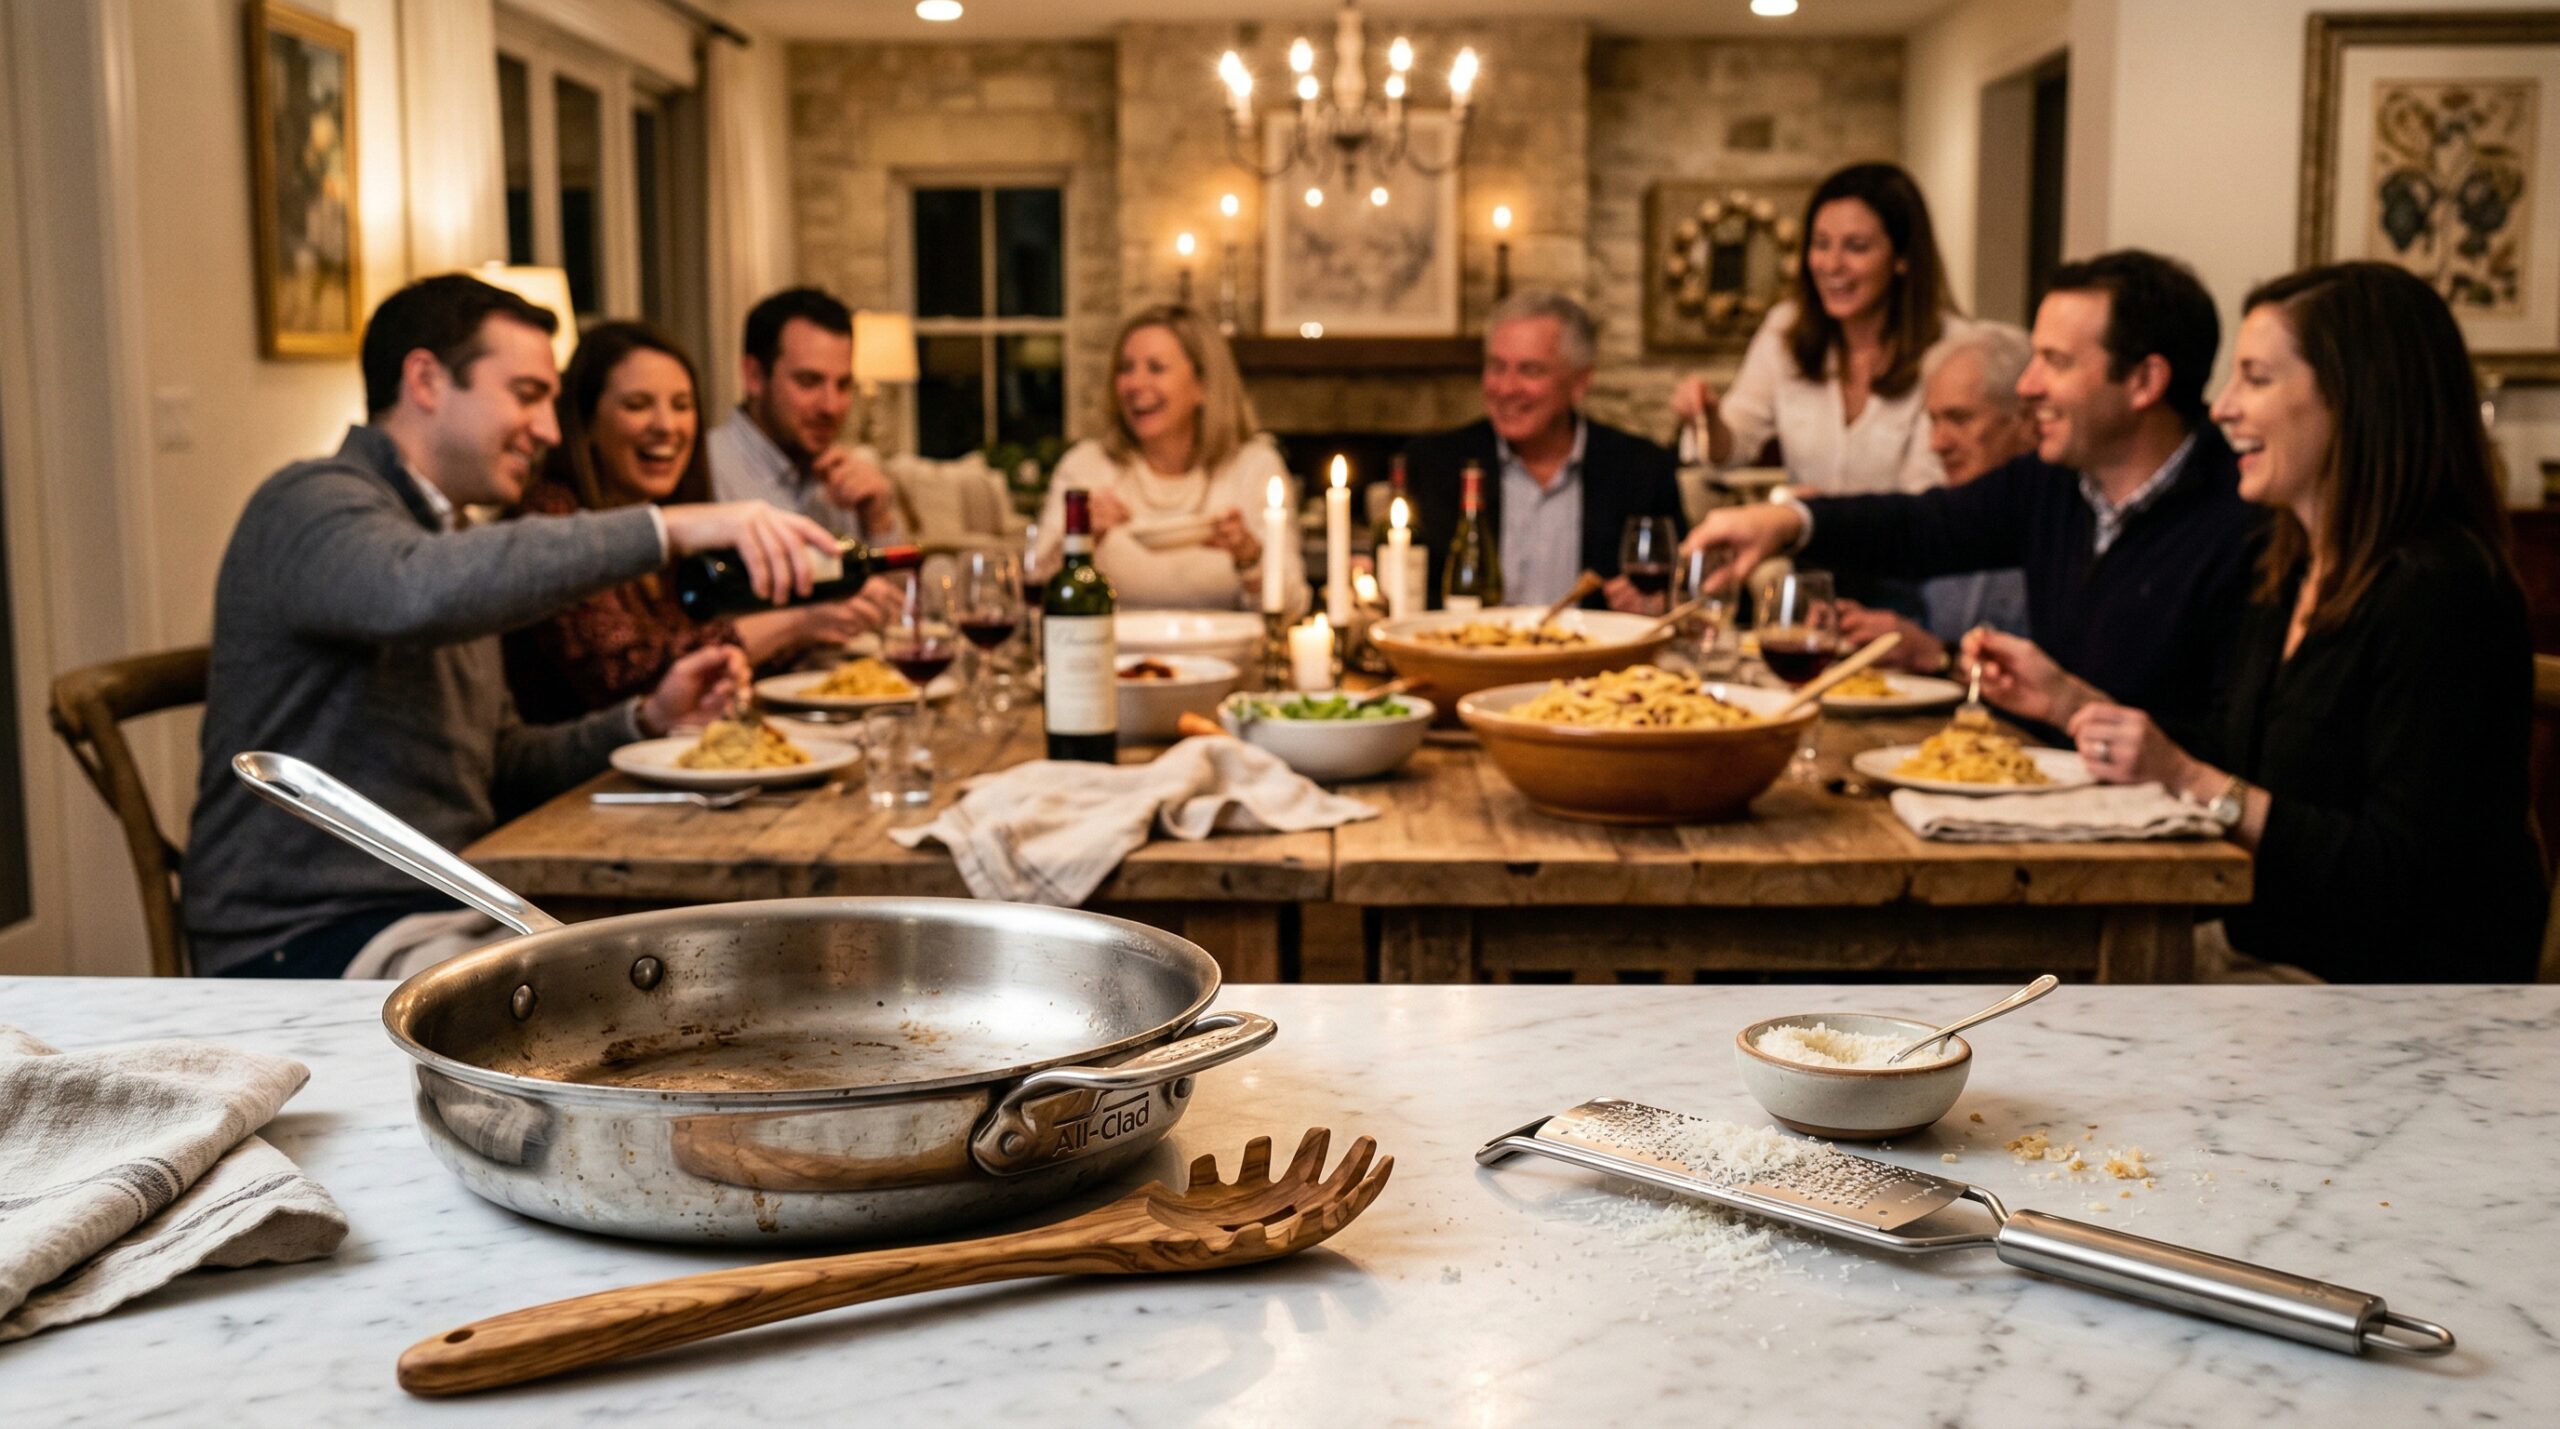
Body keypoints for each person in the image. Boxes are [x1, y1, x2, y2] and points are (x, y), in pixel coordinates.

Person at [185, 275, 839, 979]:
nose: (551, 430)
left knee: (731, 958)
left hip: (453, 902)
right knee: (666, 994)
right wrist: (669, 526)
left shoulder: (453, 540)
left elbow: (502, 764)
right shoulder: (309, 504)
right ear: (427, 380)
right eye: (528, 395)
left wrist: (645, 719)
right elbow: (415, 591)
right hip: (310, 936)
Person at [1967, 262, 2544, 981]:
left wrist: (2192, 779)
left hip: (2376, 998)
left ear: (2357, 400)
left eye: (2257, 379)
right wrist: (2071, 701)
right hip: (2266, 955)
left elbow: (2399, 871)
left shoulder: (2442, 592)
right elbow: (2246, 754)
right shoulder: (2294, 564)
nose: (2223, 407)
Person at [1684, 250, 2263, 746]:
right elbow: (1921, 525)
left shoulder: (2245, 523)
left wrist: (2071, 707)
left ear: (2143, 382)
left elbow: (2229, 745)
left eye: (2056, 362)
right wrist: (1787, 520)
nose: (2028, 385)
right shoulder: (2055, 482)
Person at [503, 321, 903, 723]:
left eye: (682, 405)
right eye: (638, 404)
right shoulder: (552, 517)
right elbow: (625, 675)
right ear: (587, 422)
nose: (667, 426)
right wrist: (800, 622)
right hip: (586, 779)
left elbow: (719, 649)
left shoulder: (672, 510)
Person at [1671, 161, 1972, 497]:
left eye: (1855, 246)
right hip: (1806, 546)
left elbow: (1926, 496)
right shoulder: (1785, 327)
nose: (1831, 265)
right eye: (1821, 244)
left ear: (1902, 257)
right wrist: (1708, 418)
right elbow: (1732, 447)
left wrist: (1823, 520)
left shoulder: (1954, 350)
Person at [1404, 289, 1684, 611]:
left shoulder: (1642, 469)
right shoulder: (1434, 464)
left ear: (1580, 382)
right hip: (1471, 655)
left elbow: (1692, 588)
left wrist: (1660, 601)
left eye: (1530, 370)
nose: (1507, 388)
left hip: (1593, 659)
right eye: (1496, 367)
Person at [1031, 304, 1303, 611]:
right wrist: (1078, 542)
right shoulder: (1086, 466)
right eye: (1125, 368)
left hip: (1227, 657)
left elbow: (1292, 607)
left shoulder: (1254, 467)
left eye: (1156, 368)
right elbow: (1033, 596)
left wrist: (1249, 557)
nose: (1134, 384)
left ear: (1202, 385)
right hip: (1114, 656)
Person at [1836, 322, 2038, 674]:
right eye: (1934, 420)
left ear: (2025, 419)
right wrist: (1857, 626)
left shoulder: (2057, 520)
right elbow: (1923, 630)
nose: (1937, 444)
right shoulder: (1947, 514)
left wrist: (1938, 656)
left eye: (1959, 419)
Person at [705, 286, 906, 543]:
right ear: (754, 376)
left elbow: (893, 585)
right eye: (808, 381)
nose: (831, 407)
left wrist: (879, 522)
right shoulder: (703, 472)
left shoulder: (843, 478)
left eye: (844, 385)